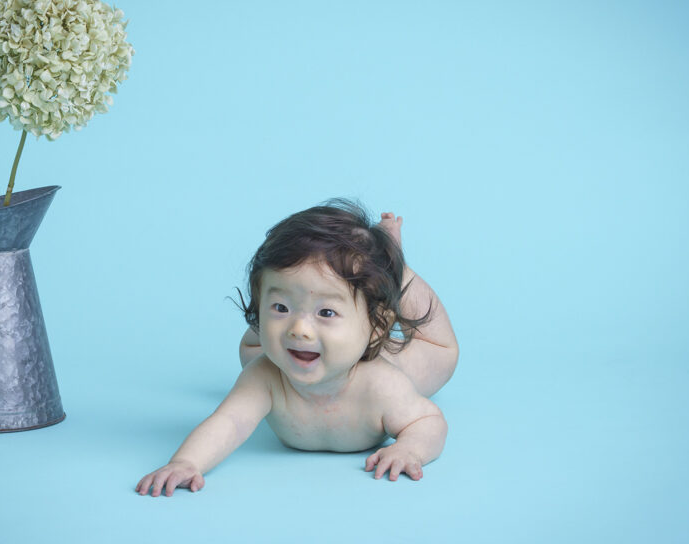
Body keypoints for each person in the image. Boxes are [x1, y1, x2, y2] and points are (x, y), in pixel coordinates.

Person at [136, 199, 459, 496]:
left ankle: (395, 268)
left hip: (390, 354)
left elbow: (428, 422)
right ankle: (295, 303)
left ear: (376, 328)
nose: (300, 329)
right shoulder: (266, 376)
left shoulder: (382, 385)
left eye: (326, 312)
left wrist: (410, 448)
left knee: (441, 352)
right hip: (310, 350)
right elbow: (228, 421)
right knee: (256, 349)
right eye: (280, 307)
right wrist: (186, 462)